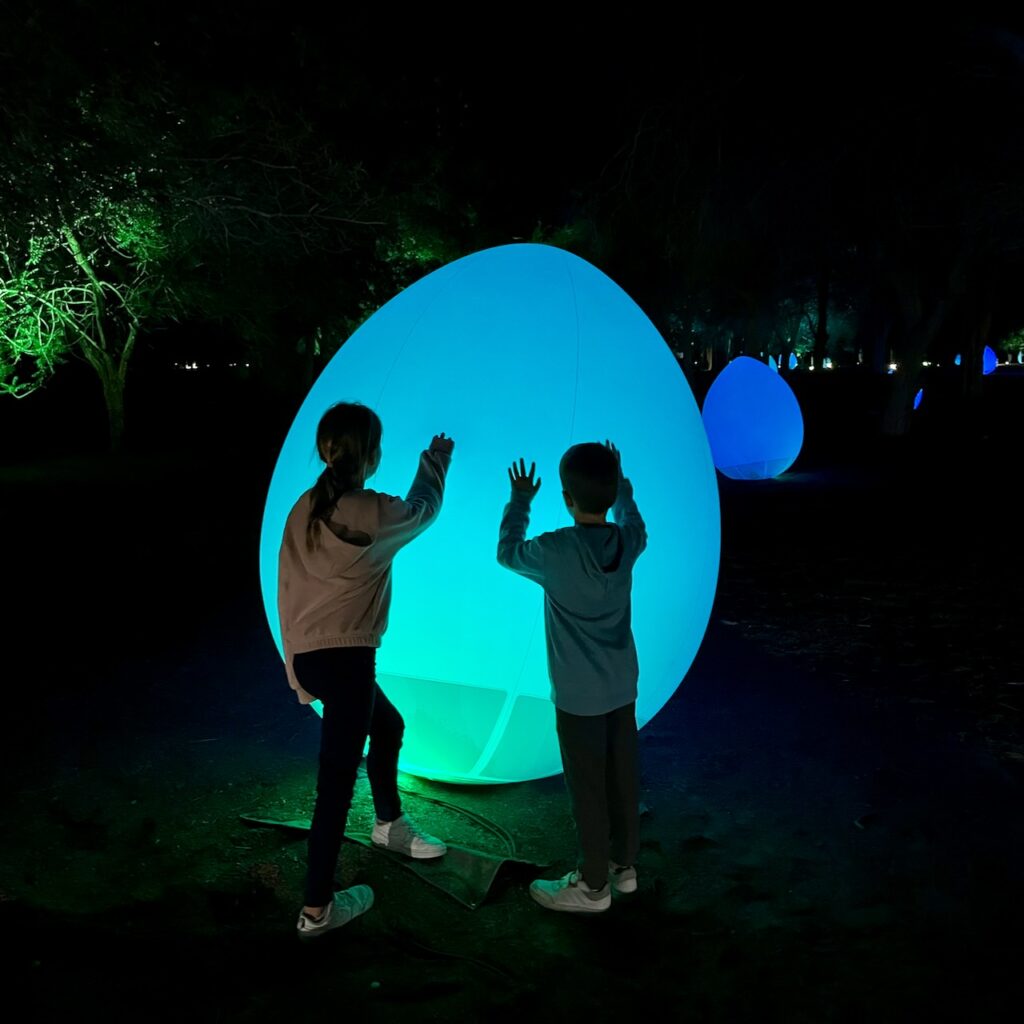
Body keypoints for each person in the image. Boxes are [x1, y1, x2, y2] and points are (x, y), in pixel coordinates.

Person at [277, 401, 454, 939]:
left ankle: (388, 826)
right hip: (347, 658)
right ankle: (316, 910)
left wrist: (296, 664)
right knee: (334, 784)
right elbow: (423, 509)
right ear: (371, 454)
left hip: (314, 655)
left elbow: (287, 586)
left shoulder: (304, 507)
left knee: (390, 725)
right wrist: (436, 458)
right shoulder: (369, 511)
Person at [497, 441, 647, 912]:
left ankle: (593, 886)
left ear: (565, 497)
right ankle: (625, 868)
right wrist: (621, 485)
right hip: (622, 688)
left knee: (587, 788)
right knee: (622, 779)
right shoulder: (627, 543)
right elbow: (634, 521)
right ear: (611, 491)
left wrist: (520, 501)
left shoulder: (555, 550)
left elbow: (507, 552)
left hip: (579, 699)